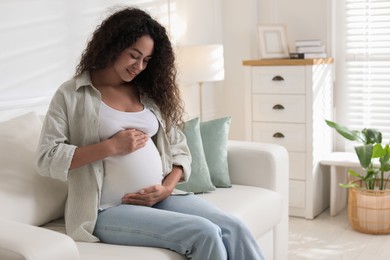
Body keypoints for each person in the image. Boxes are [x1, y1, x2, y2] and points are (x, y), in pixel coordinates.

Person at [35, 7, 264, 260]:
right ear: (113, 45)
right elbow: (47, 157)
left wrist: (166, 188)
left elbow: (180, 149)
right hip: (105, 210)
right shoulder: (72, 94)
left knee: (234, 227)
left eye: (146, 60)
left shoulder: (147, 94)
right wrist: (110, 147)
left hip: (161, 198)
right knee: (205, 232)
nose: (139, 66)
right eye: (134, 55)